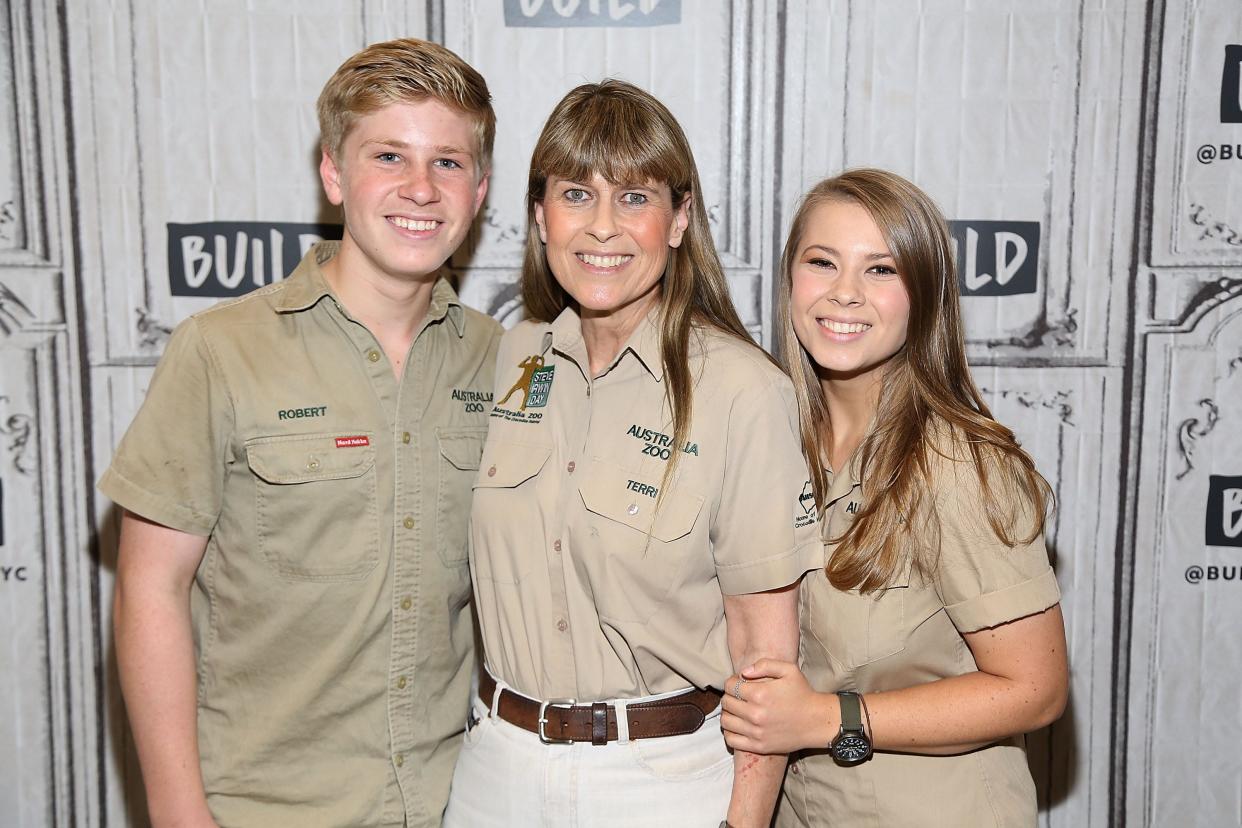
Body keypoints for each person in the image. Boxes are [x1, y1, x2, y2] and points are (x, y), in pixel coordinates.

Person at [101, 38, 501, 828]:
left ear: (480, 189)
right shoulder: (220, 351)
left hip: (458, 799)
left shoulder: (504, 361)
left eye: (448, 163)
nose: (420, 188)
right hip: (262, 805)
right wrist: (181, 815)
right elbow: (149, 589)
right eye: (389, 155)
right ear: (332, 172)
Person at [443, 80, 822, 827]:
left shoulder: (743, 392)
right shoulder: (511, 360)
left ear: (680, 219)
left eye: (636, 198)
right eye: (576, 195)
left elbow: (767, 658)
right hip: (495, 772)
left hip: (664, 781)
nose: (603, 228)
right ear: (538, 216)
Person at [719, 168, 1069, 826]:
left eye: (881, 270)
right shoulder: (771, 442)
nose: (844, 294)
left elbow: (1035, 690)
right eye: (822, 262)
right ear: (790, 279)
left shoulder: (957, 464)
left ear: (924, 294)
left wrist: (829, 718)